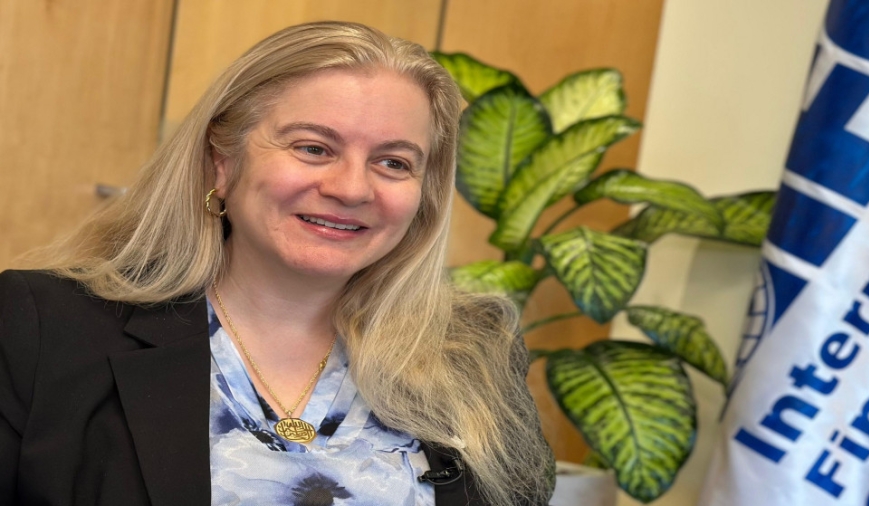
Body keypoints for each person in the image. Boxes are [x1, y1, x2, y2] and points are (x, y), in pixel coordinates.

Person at [0, 21, 554, 506]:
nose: (351, 188)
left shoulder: (475, 350)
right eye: (313, 148)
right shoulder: (43, 326)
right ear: (221, 162)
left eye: (393, 162)